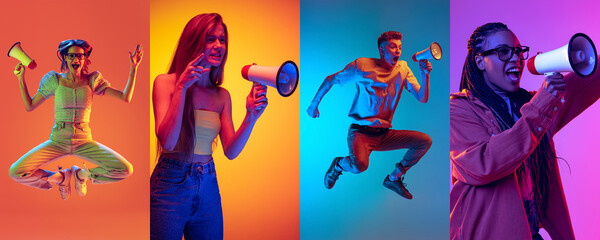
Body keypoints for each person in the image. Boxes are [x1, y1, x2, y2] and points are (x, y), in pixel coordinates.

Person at [450, 22, 600, 240]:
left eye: (519, 51)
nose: (516, 58)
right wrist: (543, 102)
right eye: (503, 52)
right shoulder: (458, 109)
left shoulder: (532, 104)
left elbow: (585, 84)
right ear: (480, 61)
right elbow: (484, 164)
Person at [151, 13, 268, 239]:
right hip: (169, 185)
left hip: (208, 185)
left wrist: (251, 116)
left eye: (222, 39)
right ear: (194, 41)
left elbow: (231, 151)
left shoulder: (221, 96)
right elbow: (167, 140)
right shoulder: (165, 83)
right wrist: (182, 89)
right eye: (210, 39)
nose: (218, 46)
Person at [8, 39, 141, 200]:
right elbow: (29, 106)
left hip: (84, 141)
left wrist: (134, 68)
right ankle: (60, 177)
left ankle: (81, 174)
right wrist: (20, 78)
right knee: (16, 172)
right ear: (64, 58)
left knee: (126, 169)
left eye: (80, 56)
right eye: (71, 56)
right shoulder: (54, 79)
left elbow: (125, 97)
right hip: (58, 141)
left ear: (85, 58)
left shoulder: (93, 80)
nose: (75, 60)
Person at [307, 31, 433, 199]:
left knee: (424, 141)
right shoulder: (362, 66)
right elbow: (331, 79)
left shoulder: (403, 69)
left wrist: (425, 74)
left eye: (400, 47)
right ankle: (338, 165)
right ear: (382, 50)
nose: (398, 51)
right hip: (361, 132)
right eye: (393, 47)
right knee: (359, 166)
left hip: (384, 134)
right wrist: (313, 105)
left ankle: (393, 178)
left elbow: (422, 97)